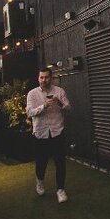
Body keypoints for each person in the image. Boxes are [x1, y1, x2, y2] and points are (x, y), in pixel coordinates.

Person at [25, 67, 71, 203]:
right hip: (40, 132)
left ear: (51, 78)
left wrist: (60, 104)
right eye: (41, 77)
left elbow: (69, 107)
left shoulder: (59, 91)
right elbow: (29, 112)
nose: (44, 80)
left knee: (60, 162)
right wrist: (44, 106)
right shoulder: (32, 94)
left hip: (57, 130)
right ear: (38, 78)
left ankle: (61, 190)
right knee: (41, 163)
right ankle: (40, 181)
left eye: (46, 77)